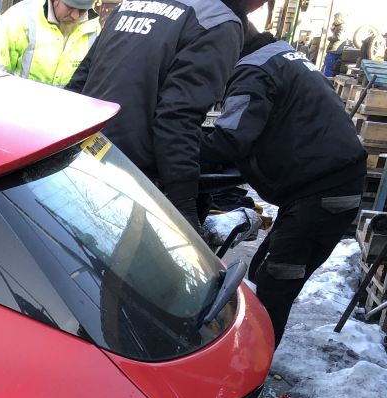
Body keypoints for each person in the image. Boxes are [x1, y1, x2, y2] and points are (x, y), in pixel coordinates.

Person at [201, 22, 366, 346]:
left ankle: (251, 367)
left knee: (276, 283)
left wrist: (176, 148)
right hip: (325, 184)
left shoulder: (253, 71)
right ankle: (249, 352)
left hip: (322, 191)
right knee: (261, 272)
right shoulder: (278, 56)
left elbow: (230, 141)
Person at [67, 0, 266, 229]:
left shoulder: (131, 5)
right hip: (131, 181)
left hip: (81, 160)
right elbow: (177, 118)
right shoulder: (218, 22)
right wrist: (185, 205)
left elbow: (77, 86)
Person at [0, 0, 100, 87]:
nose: (75, 15)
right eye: (70, 7)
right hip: (17, 110)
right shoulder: (20, 18)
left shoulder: (93, 29)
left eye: (82, 10)